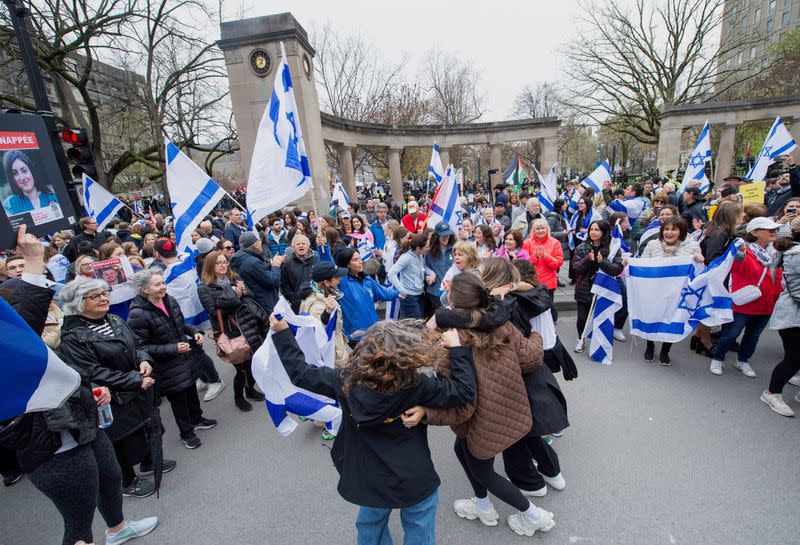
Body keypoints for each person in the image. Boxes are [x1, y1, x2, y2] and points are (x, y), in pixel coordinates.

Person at [0, 228, 159, 545]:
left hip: (78, 417)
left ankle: (117, 529)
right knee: (78, 523)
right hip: (46, 438)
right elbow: (28, 325)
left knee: (110, 476)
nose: (102, 299)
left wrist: (86, 390)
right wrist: (32, 260)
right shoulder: (19, 333)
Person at [271, 315, 475, 545]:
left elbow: (300, 372)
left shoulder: (345, 381)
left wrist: (281, 332)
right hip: (413, 476)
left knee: (370, 527)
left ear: (364, 352)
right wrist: (458, 350)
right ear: (407, 356)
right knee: (420, 526)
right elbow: (463, 391)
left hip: (369, 477)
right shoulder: (418, 385)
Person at [406, 273, 554, 537]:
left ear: (454, 302)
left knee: (483, 470)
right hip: (510, 407)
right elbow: (531, 360)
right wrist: (535, 336)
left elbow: (459, 401)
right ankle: (483, 504)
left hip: (481, 419)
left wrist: (427, 413)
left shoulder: (454, 343)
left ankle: (533, 516)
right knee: (462, 449)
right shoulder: (503, 325)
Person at [59, 277, 175, 500]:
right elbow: (92, 372)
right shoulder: (73, 337)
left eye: (104, 293)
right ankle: (127, 481)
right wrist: (135, 379)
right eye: (95, 296)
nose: (103, 298)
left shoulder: (113, 319)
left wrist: (144, 360)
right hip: (113, 398)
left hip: (139, 389)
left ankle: (149, 461)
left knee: (147, 427)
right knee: (122, 441)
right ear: (78, 303)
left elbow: (137, 344)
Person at [126, 270, 216, 448]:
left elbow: (180, 324)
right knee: (178, 399)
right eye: (157, 285)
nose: (163, 287)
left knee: (190, 389)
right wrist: (172, 348)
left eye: (163, 283)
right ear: (145, 290)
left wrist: (194, 332)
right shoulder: (137, 314)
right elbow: (141, 347)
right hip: (166, 365)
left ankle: (197, 419)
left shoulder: (169, 300)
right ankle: (187, 433)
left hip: (185, 357)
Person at [709, 217, 784, 377]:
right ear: (755, 232)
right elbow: (735, 268)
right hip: (745, 303)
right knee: (732, 333)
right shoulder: (745, 251)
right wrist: (739, 255)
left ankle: (743, 360)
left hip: (766, 304)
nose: (774, 232)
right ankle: (718, 358)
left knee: (753, 335)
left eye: (775, 229)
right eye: (769, 229)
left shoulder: (776, 253)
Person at [198, 250, 267, 412]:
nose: (223, 265)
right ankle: (239, 397)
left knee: (253, 363)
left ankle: (250, 390)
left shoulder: (234, 277)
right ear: (210, 266)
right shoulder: (204, 288)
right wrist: (234, 294)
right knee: (241, 368)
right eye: (218, 263)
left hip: (248, 325)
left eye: (225, 262)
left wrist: (243, 292)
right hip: (229, 332)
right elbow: (214, 311)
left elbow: (251, 295)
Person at [639, 217, 703, 365]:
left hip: (677, 294)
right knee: (652, 318)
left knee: (673, 321)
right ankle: (650, 345)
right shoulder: (652, 244)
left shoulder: (692, 246)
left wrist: (698, 260)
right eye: (666, 229)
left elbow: (698, 271)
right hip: (654, 291)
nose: (669, 232)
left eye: (673, 229)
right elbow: (642, 265)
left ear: (681, 231)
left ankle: (665, 350)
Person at [761, 217, 800, 416]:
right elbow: (797, 290)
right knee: (794, 358)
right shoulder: (796, 255)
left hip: (793, 314)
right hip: (793, 315)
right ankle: (772, 393)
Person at [571, 220, 624, 352]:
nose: (593, 232)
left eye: (597, 230)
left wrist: (602, 262)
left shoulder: (612, 249)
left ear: (604, 232)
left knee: (601, 316)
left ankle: (599, 341)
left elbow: (617, 269)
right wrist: (587, 260)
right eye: (591, 229)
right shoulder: (581, 248)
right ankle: (581, 339)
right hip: (584, 288)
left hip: (603, 288)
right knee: (582, 317)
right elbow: (576, 268)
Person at [335, 247, 399, 343]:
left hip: (374, 331)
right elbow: (329, 269)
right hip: (355, 335)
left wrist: (400, 291)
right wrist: (323, 247)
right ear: (347, 264)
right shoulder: (342, 281)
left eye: (360, 258)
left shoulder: (367, 279)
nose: (360, 262)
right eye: (355, 260)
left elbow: (384, 293)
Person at [297, 262, 352, 370]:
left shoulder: (321, 294)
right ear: (326, 282)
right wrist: (326, 313)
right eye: (337, 277)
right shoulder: (317, 304)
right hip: (332, 357)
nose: (340, 279)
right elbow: (319, 331)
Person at [230, 231, 283, 315]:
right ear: (255, 245)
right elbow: (272, 281)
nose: (261, 244)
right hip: (263, 303)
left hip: (255, 302)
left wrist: (270, 265)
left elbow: (259, 273)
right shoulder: (252, 262)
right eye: (259, 242)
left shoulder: (241, 257)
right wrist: (276, 266)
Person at [388, 233, 435, 319]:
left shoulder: (420, 255)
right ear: (418, 248)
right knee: (415, 326)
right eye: (427, 246)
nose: (429, 248)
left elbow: (423, 268)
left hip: (419, 295)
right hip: (409, 297)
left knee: (417, 324)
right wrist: (402, 290)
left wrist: (432, 273)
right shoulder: (406, 257)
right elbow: (391, 274)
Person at [2, 150, 60, 216]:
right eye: (15, 173)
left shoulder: (52, 198)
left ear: (31, 171)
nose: (22, 178)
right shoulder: (9, 205)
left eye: (24, 171)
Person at [523, 218, 564, 307]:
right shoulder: (527, 243)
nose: (540, 231)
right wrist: (535, 257)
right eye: (538, 229)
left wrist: (546, 256)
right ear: (533, 230)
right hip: (531, 282)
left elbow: (558, 264)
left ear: (547, 229)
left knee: (548, 310)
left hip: (548, 284)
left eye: (543, 228)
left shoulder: (555, 243)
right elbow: (524, 264)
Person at [280, 234, 318, 313]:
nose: (301, 245)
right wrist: (294, 300)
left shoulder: (317, 260)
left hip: (316, 302)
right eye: (298, 244)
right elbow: (285, 285)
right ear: (293, 247)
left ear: (308, 246)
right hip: (298, 305)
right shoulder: (288, 264)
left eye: (303, 244)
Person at [424, 222, 455, 314]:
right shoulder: (429, 251)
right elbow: (423, 266)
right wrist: (430, 273)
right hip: (435, 291)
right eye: (442, 235)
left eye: (447, 235)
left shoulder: (455, 249)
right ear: (436, 236)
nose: (445, 238)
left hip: (451, 291)